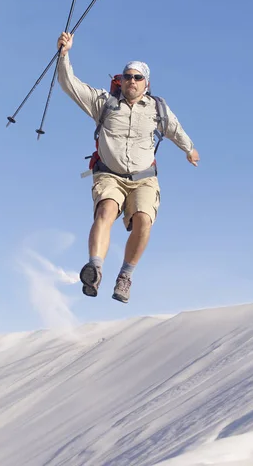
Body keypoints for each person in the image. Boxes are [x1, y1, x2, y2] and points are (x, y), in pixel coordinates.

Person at [57, 32, 200, 303]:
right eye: (127, 76)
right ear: (120, 81)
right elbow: (69, 84)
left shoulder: (157, 108)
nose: (131, 81)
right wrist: (64, 54)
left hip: (144, 178)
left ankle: (125, 276)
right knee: (106, 210)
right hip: (109, 174)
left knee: (143, 221)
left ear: (146, 83)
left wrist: (189, 149)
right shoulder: (104, 103)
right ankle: (95, 268)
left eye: (137, 77)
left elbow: (175, 130)